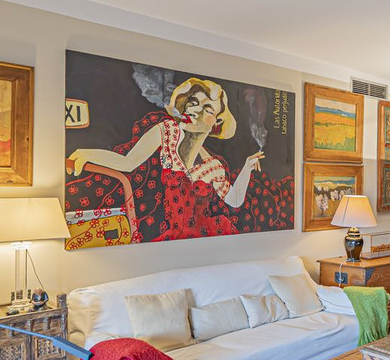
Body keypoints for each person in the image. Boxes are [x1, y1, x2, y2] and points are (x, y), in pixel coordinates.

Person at [67, 77, 266, 242]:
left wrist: (246, 169)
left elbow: (234, 201)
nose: (195, 110)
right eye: (193, 102)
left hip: (206, 237)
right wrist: (88, 154)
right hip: (172, 239)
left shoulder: (214, 166)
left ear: (216, 123)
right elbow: (128, 162)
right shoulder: (167, 132)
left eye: (207, 109)